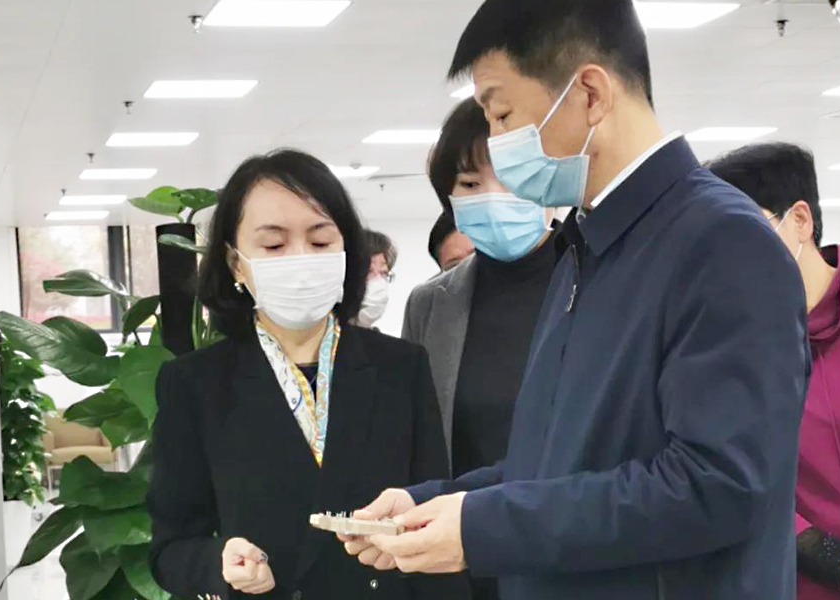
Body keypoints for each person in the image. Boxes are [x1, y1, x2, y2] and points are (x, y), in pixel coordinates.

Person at [342, 1, 809, 599]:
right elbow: (556, 462)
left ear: (589, 94)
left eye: (502, 115)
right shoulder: (586, 252)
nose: (497, 143)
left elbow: (717, 485)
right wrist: (434, 503)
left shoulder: (723, 243)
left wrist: (485, 527)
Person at [147, 149, 467, 600]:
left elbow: (434, 521)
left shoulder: (401, 367)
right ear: (236, 262)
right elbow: (171, 547)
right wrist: (217, 562)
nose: (299, 259)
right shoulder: (195, 384)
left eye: (319, 243)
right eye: (274, 246)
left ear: (345, 252)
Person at [403, 98, 560, 600]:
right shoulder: (431, 304)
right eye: (470, 184)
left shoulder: (603, 281)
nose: (493, 197)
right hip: (461, 563)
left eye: (512, 178)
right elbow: (419, 436)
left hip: (570, 552)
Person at [707, 142, 840, 600]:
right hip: (801, 581)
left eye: (740, 232)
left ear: (800, 220)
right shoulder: (724, 348)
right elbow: (729, 480)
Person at [357, 229, 397, 328]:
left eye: (383, 273)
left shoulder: (377, 337)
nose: (378, 282)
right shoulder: (323, 333)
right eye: (369, 272)